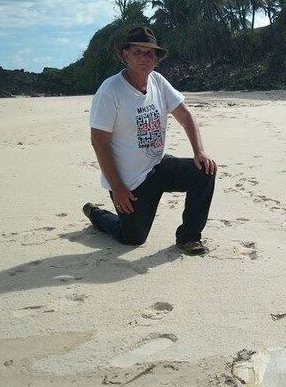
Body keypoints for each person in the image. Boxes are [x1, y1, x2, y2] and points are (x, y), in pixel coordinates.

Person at [82, 26, 217, 255]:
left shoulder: (158, 81)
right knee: (132, 239)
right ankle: (96, 214)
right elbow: (99, 142)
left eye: (149, 54)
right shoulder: (110, 91)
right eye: (137, 52)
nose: (144, 58)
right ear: (125, 56)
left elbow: (185, 115)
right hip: (130, 181)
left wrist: (199, 151)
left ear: (156, 59)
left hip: (159, 165)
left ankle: (189, 237)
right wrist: (117, 187)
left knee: (204, 171)